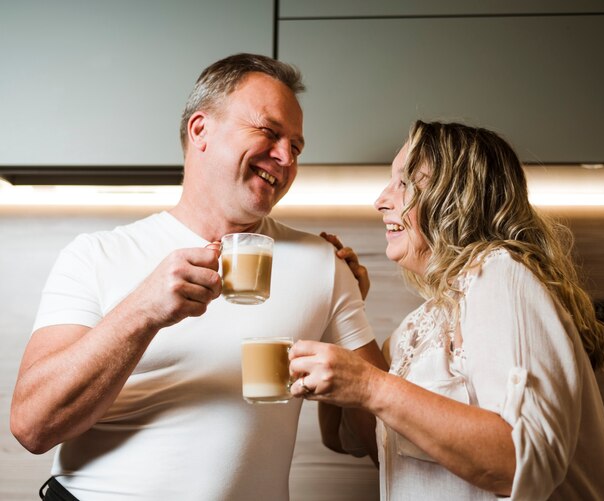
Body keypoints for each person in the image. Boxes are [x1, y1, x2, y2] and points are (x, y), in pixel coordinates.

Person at [10, 53, 386, 501]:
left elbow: (375, 440)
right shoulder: (96, 255)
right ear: (200, 130)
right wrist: (142, 310)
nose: (285, 157)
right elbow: (33, 426)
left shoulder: (322, 263)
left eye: (297, 146)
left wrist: (350, 316)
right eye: (268, 131)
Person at [289, 120, 604, 500]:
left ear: (458, 196)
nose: (381, 199)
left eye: (405, 182)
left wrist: (370, 386)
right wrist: (343, 306)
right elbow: (355, 439)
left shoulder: (499, 272)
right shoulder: (419, 326)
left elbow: (522, 462)